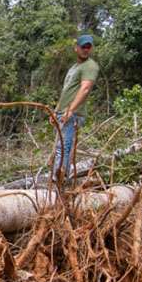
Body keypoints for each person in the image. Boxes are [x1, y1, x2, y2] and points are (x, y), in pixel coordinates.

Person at [52, 34, 99, 181]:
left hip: (73, 114)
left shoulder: (90, 66)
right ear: (76, 48)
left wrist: (70, 110)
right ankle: (58, 177)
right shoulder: (74, 67)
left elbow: (85, 89)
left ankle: (60, 180)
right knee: (60, 147)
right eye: (83, 46)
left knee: (63, 147)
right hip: (63, 112)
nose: (86, 49)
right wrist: (56, 111)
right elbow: (67, 90)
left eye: (88, 47)